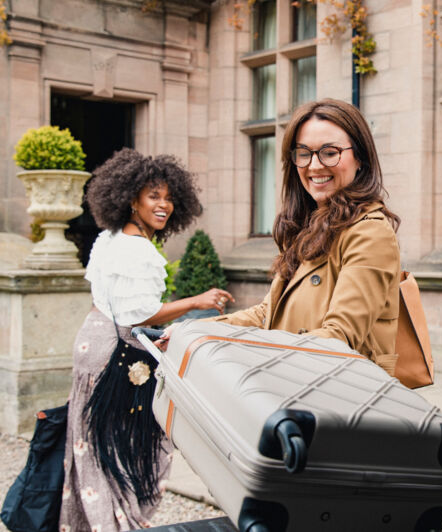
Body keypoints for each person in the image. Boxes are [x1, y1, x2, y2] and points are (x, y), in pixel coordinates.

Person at [61, 148, 234, 531]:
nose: (165, 205)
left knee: (94, 445)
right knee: (125, 450)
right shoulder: (137, 251)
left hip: (92, 338)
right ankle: (115, 524)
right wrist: (198, 301)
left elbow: (103, 298)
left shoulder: (109, 239)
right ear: (130, 199)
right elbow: (137, 315)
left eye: (170, 197)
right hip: (115, 353)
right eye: (154, 196)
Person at [169, 99, 402, 374]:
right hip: (295, 385)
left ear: (360, 158)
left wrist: (251, 352)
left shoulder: (369, 231)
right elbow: (267, 313)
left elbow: (340, 338)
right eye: (304, 153)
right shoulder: (306, 227)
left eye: (330, 152)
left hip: (340, 397)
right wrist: (194, 330)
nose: (314, 166)